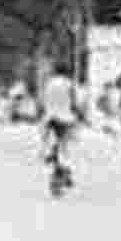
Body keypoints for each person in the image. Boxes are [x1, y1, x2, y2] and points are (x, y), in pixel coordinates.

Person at [40, 63, 82, 193]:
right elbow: (75, 102)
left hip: (50, 118)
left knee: (51, 143)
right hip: (65, 118)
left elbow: (42, 101)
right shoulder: (69, 84)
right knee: (66, 145)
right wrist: (79, 114)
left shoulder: (48, 84)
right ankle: (64, 170)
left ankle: (52, 157)